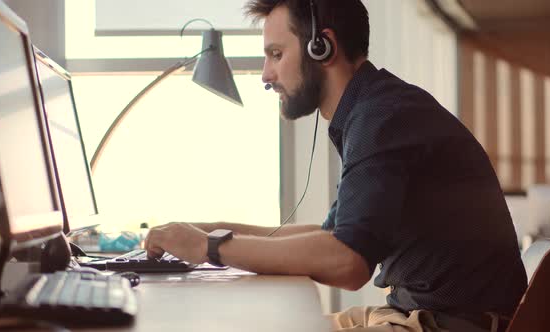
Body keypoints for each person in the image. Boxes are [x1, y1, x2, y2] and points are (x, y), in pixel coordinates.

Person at [144, 0, 527, 331]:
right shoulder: (374, 109)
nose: (266, 74)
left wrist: (209, 247)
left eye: (276, 54)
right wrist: (211, 231)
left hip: (446, 325)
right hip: (422, 315)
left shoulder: (382, 117)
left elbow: (347, 261)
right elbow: (330, 236)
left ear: (321, 47)